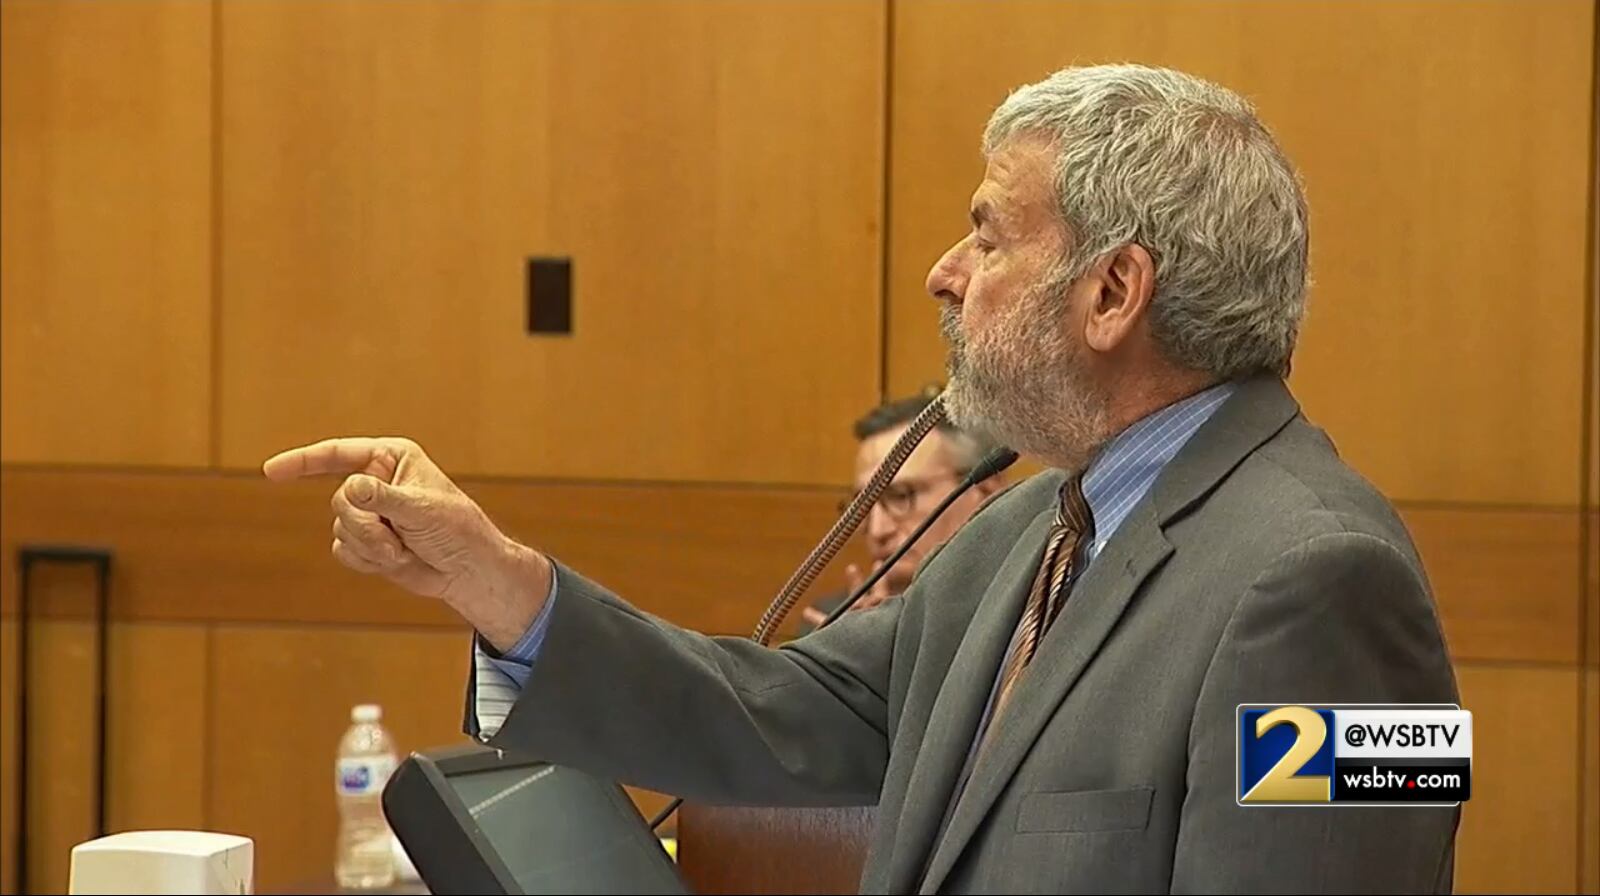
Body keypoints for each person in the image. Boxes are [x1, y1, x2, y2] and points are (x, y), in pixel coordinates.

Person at [264, 63, 1460, 893]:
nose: (946, 272)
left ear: (1112, 292)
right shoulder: (1026, 531)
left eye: (990, 235)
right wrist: (503, 584)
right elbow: (786, 714)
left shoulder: (1330, 581)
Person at [800, 389, 1008, 629]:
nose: (878, 531)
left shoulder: (1032, 607)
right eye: (862, 505)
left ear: (985, 493)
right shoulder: (836, 624)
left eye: (901, 496)